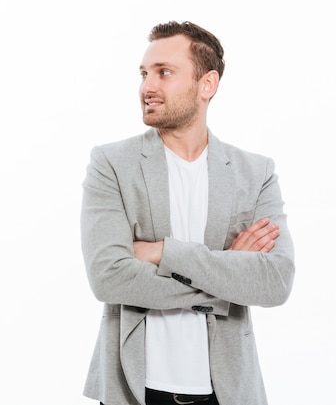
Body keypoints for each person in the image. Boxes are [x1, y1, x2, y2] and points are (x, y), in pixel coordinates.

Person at [80, 21, 295, 405]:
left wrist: (161, 251)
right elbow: (108, 277)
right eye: (144, 74)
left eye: (164, 72)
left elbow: (275, 282)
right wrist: (227, 273)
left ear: (207, 85)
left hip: (227, 392)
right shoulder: (112, 163)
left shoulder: (255, 172)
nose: (148, 86)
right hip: (132, 389)